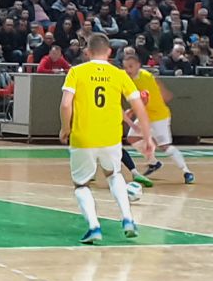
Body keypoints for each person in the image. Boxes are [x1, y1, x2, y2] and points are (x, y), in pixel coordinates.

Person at [60, 33, 154, 244]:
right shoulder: (119, 74)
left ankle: (94, 227)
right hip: (111, 137)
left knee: (81, 184)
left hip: (83, 136)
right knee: (113, 174)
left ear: (87, 52)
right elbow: (139, 107)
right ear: (110, 51)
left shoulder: (76, 71)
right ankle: (128, 219)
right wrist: (147, 137)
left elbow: (66, 105)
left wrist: (65, 128)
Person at [122, 54, 194, 184]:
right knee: (132, 138)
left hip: (158, 116)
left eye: (130, 66)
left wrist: (131, 112)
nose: (128, 70)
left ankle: (186, 171)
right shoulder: (135, 77)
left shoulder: (144, 78)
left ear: (138, 65)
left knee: (165, 146)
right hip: (146, 115)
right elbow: (162, 92)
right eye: (125, 67)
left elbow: (144, 100)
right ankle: (154, 162)